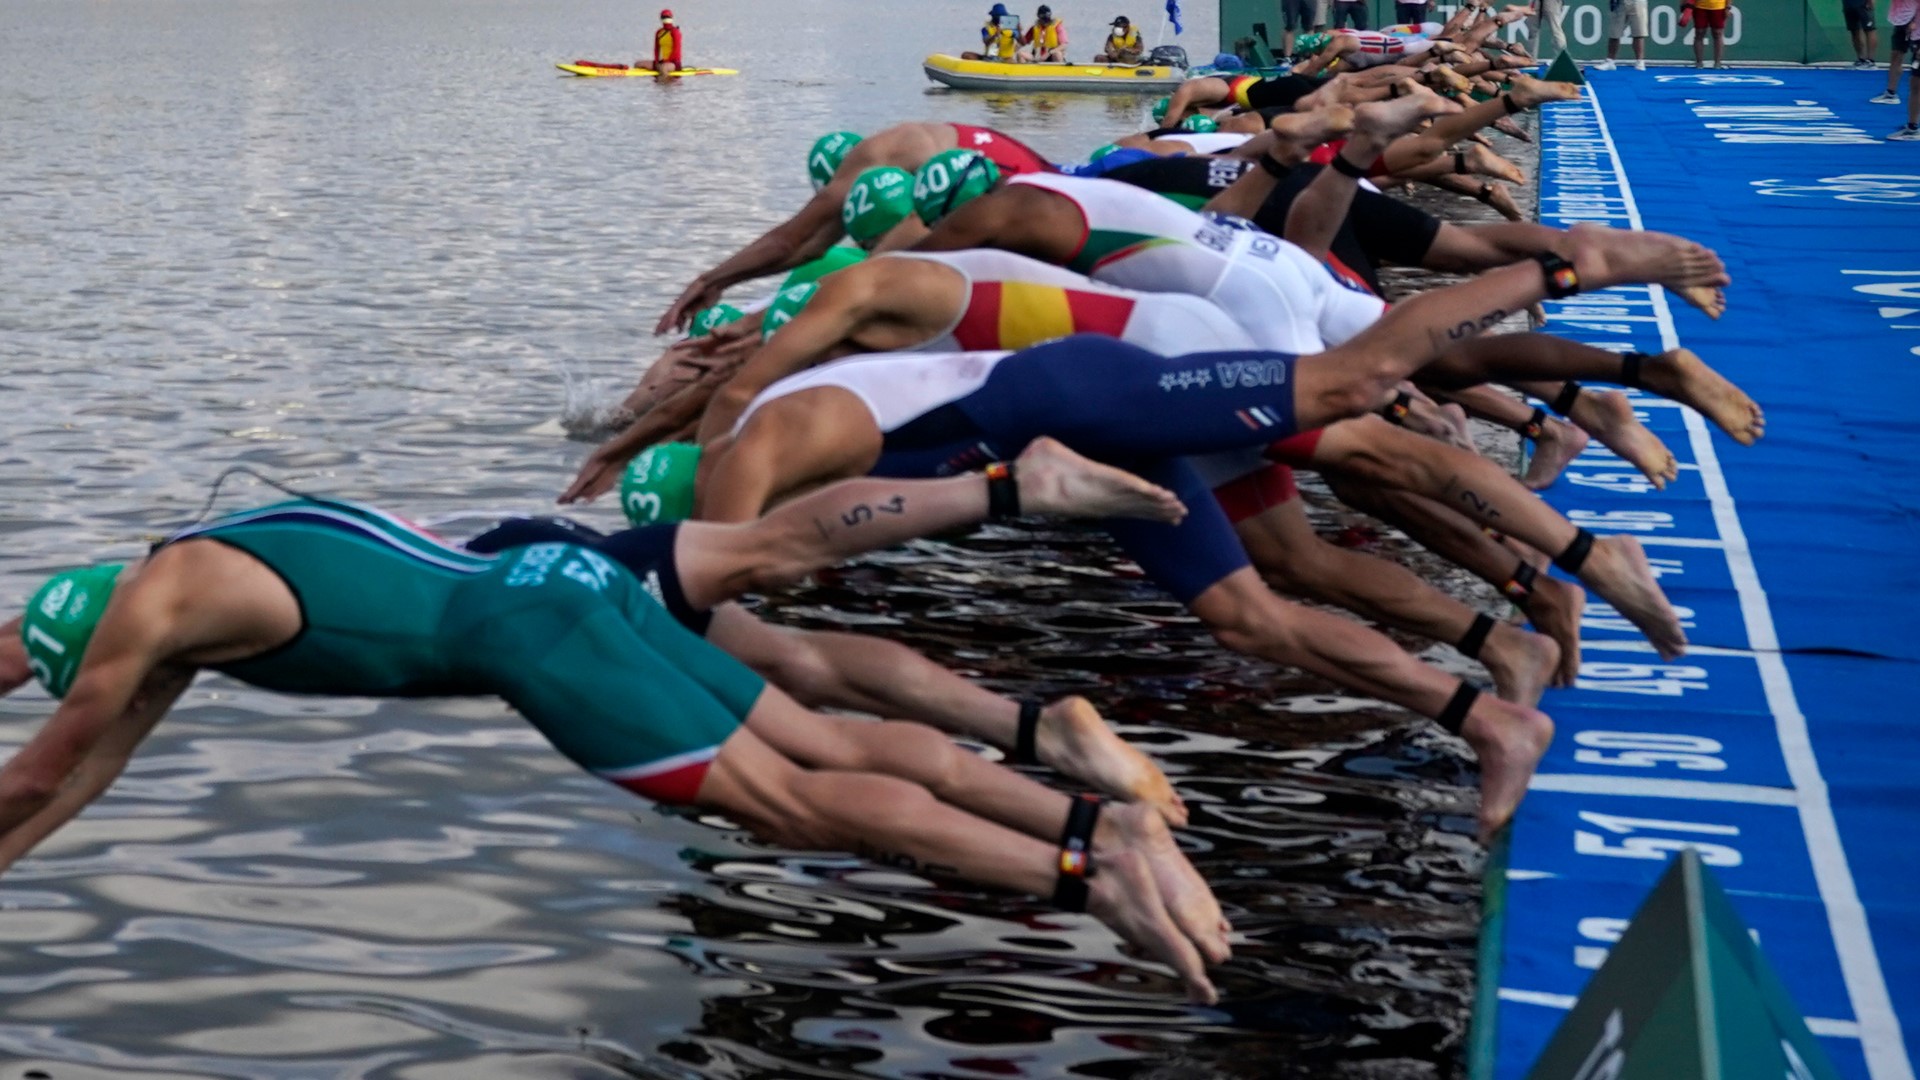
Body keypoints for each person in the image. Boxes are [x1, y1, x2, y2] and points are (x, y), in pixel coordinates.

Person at [0, 475, 1232, 1003]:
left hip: (535, 642)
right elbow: (79, 786)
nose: (105, 690)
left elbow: (47, 766)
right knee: (824, 740)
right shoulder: (202, 565)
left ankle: (1087, 874)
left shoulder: (147, 626)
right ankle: (1092, 818)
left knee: (786, 808)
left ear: (99, 644)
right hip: (568, 575)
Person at [652, 121, 1056, 334]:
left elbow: (792, 239)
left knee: (852, 296)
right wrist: (720, 281)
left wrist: (713, 283)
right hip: (1059, 201)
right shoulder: (923, 151)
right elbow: (807, 248)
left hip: (1026, 218)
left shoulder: (876, 156)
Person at [1876, 0, 1916, 102]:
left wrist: (1914, 20)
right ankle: (1890, 93)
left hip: (1913, 20)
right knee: (1896, 55)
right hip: (1901, 19)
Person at [1593, 0, 1651, 71]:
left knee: (1639, 32)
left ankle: (1640, 62)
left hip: (1637, 2)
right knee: (1614, 32)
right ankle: (1610, 61)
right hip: (1619, 2)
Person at [1689, 0, 1733, 67]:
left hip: (1719, 7)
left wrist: (1727, 7)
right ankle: (1699, 62)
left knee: (1717, 33)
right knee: (1699, 33)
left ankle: (1717, 62)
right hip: (1699, 6)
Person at [648, 8, 682, 75]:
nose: (666, 18)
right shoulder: (659, 32)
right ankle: (656, 79)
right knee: (638, 64)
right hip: (662, 62)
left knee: (663, 68)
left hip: (674, 63)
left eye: (667, 17)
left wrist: (667, 61)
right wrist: (657, 61)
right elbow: (656, 49)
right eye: (664, 17)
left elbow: (676, 50)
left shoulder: (675, 32)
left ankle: (665, 84)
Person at [1846, 0, 1881, 66]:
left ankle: (1870, 60)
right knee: (1854, 30)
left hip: (1864, 2)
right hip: (1848, 3)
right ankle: (1861, 59)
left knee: (1869, 29)